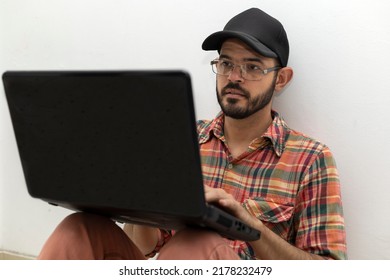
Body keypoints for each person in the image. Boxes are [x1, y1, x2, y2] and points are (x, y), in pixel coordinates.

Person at [38, 8, 347, 260]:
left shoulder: (311, 158)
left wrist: (250, 226)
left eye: (252, 67)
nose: (234, 77)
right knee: (78, 227)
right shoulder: (181, 138)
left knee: (196, 242)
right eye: (226, 63)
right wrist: (136, 200)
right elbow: (147, 247)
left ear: (281, 79)